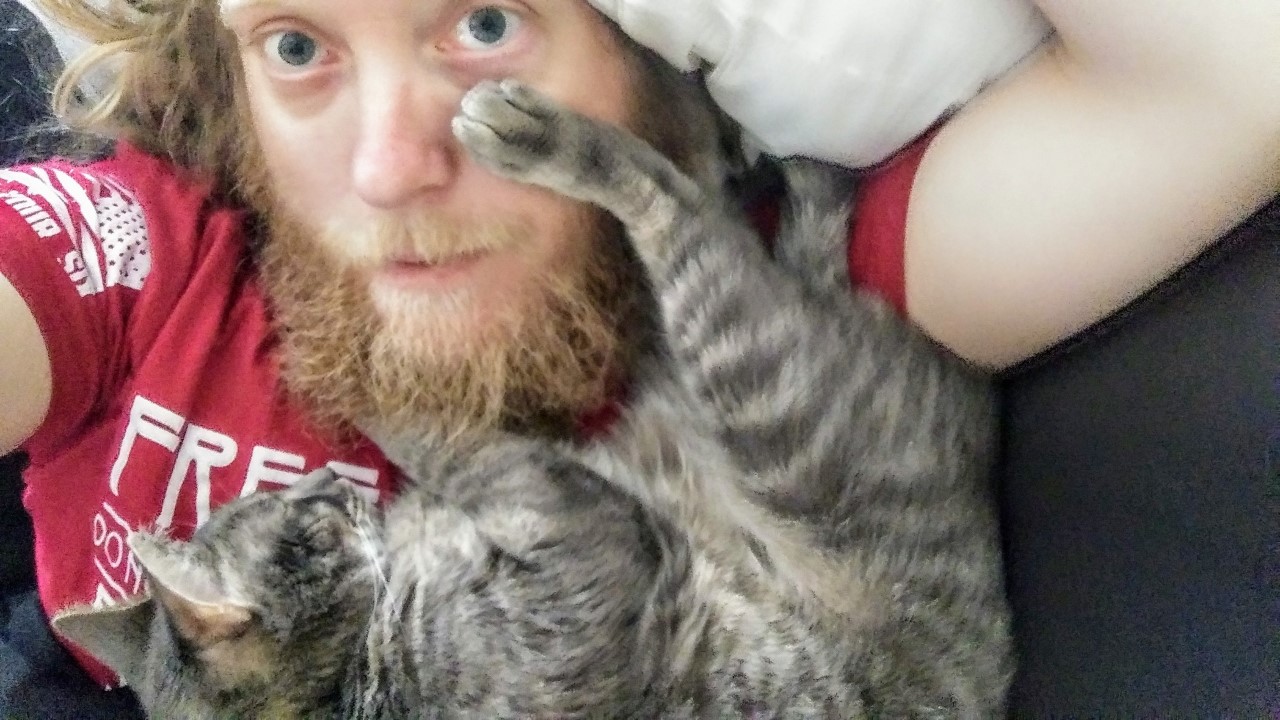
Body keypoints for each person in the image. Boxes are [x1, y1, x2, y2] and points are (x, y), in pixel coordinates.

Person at [0, 0, 1276, 713]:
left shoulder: (773, 300)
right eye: (295, 47)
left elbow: (1232, 78)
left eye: (486, 20)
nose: (391, 168)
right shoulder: (150, 253)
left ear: (653, 52)